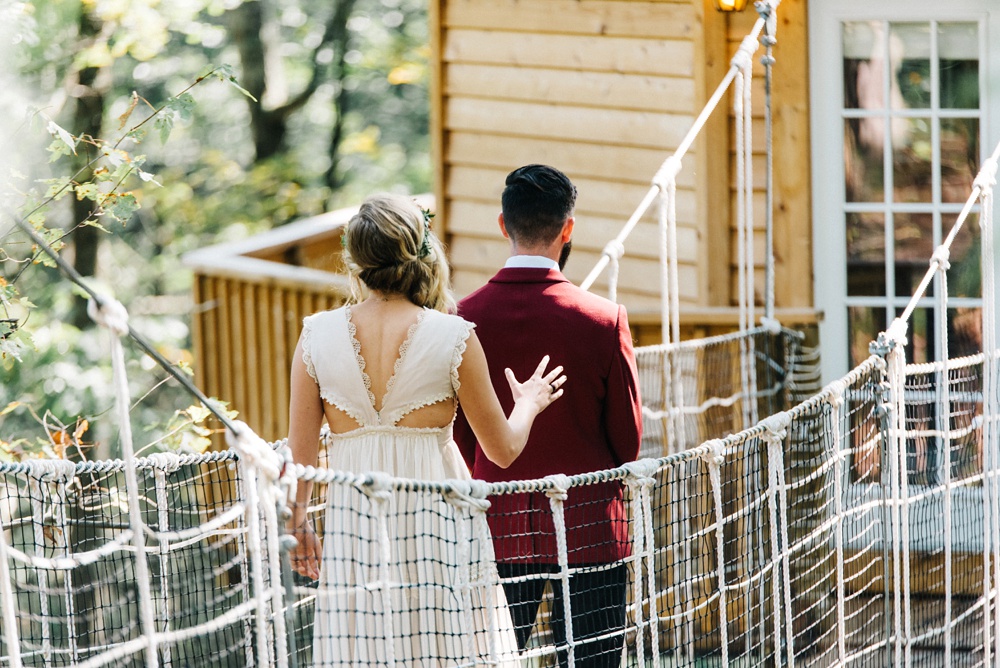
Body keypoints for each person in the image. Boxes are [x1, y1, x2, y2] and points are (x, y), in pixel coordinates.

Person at [284, 193, 567, 667]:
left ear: (354, 258)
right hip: (440, 529)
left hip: (356, 530)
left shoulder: (315, 335)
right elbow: (502, 450)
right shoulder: (453, 336)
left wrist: (299, 523)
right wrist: (529, 404)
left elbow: (302, 457)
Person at [454, 165, 643, 667]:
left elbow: (461, 441)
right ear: (568, 229)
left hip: (495, 527)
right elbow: (628, 445)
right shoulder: (605, 320)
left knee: (488, 661)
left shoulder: (458, 320)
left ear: (503, 225)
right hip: (590, 531)